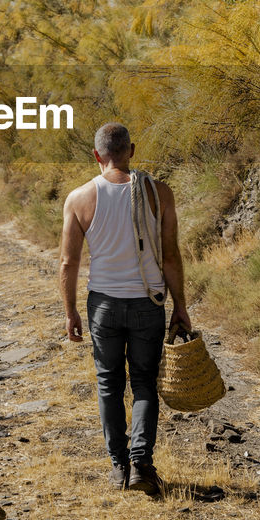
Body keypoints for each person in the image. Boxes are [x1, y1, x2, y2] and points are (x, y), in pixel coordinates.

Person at [58, 122, 192, 495]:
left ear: (96, 155)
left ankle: (119, 467)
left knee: (109, 385)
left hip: (103, 305)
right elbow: (171, 256)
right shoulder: (159, 193)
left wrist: (70, 311)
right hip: (149, 303)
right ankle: (141, 465)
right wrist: (180, 305)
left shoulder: (80, 198)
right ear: (131, 151)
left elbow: (68, 263)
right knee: (145, 383)